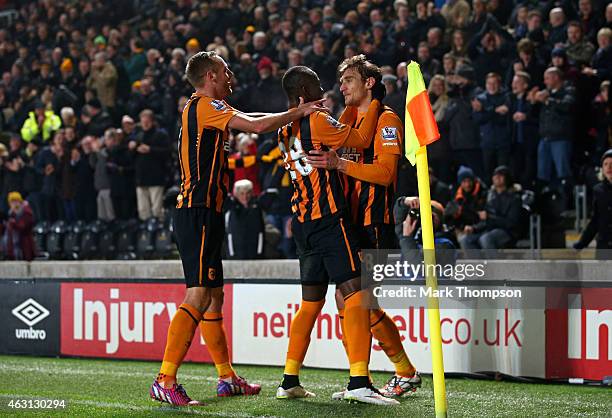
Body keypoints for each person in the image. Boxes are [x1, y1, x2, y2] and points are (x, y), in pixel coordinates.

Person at [150, 51, 326, 406]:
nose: (231, 75)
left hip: (208, 212)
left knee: (215, 296)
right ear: (211, 75)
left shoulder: (207, 109)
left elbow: (254, 118)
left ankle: (226, 377)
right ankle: (165, 378)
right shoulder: (204, 106)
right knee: (198, 295)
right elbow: (259, 127)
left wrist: (290, 113)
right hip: (196, 210)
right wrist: (300, 112)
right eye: (226, 70)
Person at [275, 65, 397, 405]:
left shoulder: (283, 126)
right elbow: (358, 139)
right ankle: (360, 380)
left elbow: (335, 130)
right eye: (317, 86)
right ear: (303, 96)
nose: (325, 90)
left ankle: (289, 379)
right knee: (356, 294)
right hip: (329, 220)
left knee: (311, 303)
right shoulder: (316, 120)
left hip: (301, 222)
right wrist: (371, 106)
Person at [306, 55, 420, 399]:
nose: (342, 88)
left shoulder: (386, 119)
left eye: (349, 81)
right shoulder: (350, 118)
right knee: (348, 302)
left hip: (375, 223)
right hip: (349, 223)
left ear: (369, 83)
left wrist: (340, 163)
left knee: (361, 302)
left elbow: (386, 174)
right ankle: (368, 378)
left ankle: (399, 373)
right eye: (341, 82)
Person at [460, 166, 522, 250]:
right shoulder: (490, 196)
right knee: (465, 240)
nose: (497, 177)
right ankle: (478, 263)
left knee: (486, 239)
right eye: (495, 175)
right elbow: (485, 221)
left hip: (508, 232)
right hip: (489, 229)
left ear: (507, 178)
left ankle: (493, 263)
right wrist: (474, 228)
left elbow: (511, 223)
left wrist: (489, 217)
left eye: (501, 175)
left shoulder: (514, 198)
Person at [573, 149, 612, 255]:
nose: (609, 167)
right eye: (605, 164)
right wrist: (581, 243)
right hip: (604, 248)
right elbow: (595, 221)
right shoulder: (598, 190)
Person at [224, 179, 265, 259]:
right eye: (241, 193)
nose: (245, 197)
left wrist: (260, 252)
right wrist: (231, 253)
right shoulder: (231, 207)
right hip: (235, 252)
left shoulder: (257, 208)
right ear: (236, 194)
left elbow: (261, 231)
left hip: (255, 252)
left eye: (248, 193)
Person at [0, 191, 35, 261]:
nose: (14, 204)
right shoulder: (11, 213)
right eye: (12, 202)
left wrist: (12, 222)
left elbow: (23, 226)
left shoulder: (27, 212)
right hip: (12, 245)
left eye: (16, 201)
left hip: (24, 245)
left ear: (20, 201)